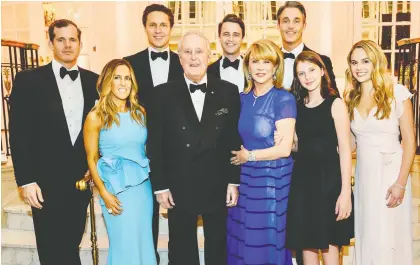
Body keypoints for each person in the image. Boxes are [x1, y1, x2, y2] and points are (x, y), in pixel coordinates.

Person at [9, 19, 98, 265]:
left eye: (72, 39)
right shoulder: (28, 81)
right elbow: (19, 133)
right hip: (43, 183)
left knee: (70, 245)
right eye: (61, 39)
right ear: (51, 43)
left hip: (79, 183)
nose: (67, 45)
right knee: (50, 249)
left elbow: (102, 131)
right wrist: (26, 180)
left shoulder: (95, 82)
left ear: (80, 44)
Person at [148, 31, 242, 265]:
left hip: (217, 181)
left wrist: (233, 181)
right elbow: (155, 143)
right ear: (179, 58)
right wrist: (160, 185)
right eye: (187, 52)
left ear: (209, 55)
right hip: (179, 183)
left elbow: (233, 139)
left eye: (199, 51)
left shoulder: (228, 91)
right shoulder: (162, 93)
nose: (193, 57)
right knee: (181, 249)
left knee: (218, 246)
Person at [344, 40, 415, 265]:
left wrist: (401, 182)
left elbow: (410, 142)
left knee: (389, 235)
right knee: (368, 233)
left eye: (365, 61)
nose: (359, 67)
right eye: (354, 62)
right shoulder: (351, 98)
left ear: (376, 61)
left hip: (391, 173)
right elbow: (351, 143)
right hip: (365, 174)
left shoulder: (397, 92)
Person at [123, 4, 184, 261]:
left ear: (171, 28)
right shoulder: (129, 64)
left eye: (163, 25)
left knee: (180, 216)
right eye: (153, 25)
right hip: (140, 150)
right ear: (145, 28)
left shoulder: (185, 62)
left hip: (179, 151)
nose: (158, 30)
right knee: (144, 215)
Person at [228, 39, 296, 265]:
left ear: (276, 67)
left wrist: (251, 156)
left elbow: (285, 149)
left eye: (266, 61)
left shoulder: (283, 98)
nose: (260, 67)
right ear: (247, 66)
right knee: (243, 238)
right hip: (245, 178)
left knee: (267, 239)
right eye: (255, 61)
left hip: (272, 181)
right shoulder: (242, 98)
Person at [84, 59, 156, 265]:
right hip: (115, 192)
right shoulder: (95, 117)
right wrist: (104, 193)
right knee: (124, 246)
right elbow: (92, 158)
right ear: (108, 81)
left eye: (127, 78)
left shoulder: (140, 113)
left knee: (144, 244)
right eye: (117, 77)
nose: (123, 83)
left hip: (142, 189)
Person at [286, 51, 354, 265]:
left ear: (323, 70)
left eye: (312, 70)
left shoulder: (336, 104)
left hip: (329, 184)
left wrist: (345, 193)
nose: (308, 77)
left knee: (331, 247)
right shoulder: (296, 106)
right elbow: (298, 144)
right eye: (301, 73)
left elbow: (345, 149)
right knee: (307, 247)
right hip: (303, 184)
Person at [277, 1, 337, 92]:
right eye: (285, 21)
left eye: (296, 21)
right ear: (278, 25)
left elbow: (333, 99)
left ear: (304, 26)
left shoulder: (322, 61)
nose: (291, 26)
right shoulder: (267, 61)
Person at [207, 14, 247, 92]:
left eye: (236, 35)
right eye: (226, 34)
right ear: (219, 37)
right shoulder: (208, 72)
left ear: (242, 38)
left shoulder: (252, 70)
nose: (231, 39)